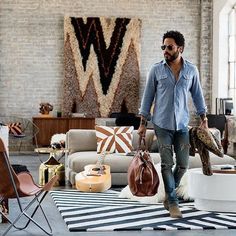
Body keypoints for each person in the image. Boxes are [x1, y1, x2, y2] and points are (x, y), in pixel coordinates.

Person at [138, 30, 208, 218]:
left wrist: (204, 119)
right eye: (163, 47)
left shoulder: (191, 70)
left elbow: (198, 96)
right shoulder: (156, 70)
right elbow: (147, 98)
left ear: (180, 48)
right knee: (167, 164)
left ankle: (169, 196)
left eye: (169, 47)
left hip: (182, 126)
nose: (165, 51)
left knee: (183, 164)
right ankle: (173, 202)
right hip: (161, 125)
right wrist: (143, 123)